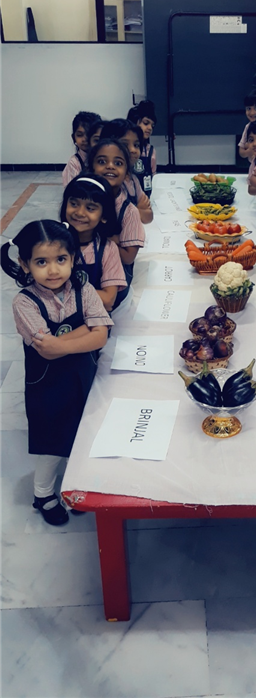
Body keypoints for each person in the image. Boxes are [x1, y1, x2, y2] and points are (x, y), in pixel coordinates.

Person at [0, 220, 112, 525]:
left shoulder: (83, 288)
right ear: (25, 264)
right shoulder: (24, 302)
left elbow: (101, 336)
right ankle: (43, 494)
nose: (53, 270)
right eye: (41, 262)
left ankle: (75, 486)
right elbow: (46, 350)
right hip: (47, 385)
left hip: (82, 377)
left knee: (81, 434)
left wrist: (64, 341)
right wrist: (85, 330)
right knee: (52, 442)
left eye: (61, 259)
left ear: (72, 258)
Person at [87, 139, 145, 298]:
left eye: (118, 163)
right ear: (91, 168)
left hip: (115, 285)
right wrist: (114, 239)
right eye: (102, 161)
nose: (110, 166)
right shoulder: (81, 203)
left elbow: (128, 257)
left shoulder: (129, 211)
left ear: (127, 174)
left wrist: (99, 237)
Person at [60, 175, 127, 312]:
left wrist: (62, 292)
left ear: (104, 216)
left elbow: (108, 300)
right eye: (74, 204)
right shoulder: (53, 243)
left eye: (90, 208)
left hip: (95, 318)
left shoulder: (108, 249)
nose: (80, 213)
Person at [99, 119, 153, 223]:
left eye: (136, 145)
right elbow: (113, 221)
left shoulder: (133, 180)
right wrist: (137, 211)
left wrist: (137, 212)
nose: (133, 150)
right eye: (124, 144)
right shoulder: (106, 181)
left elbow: (148, 217)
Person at [62, 111, 102, 187]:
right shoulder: (74, 163)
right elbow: (71, 190)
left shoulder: (104, 158)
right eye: (80, 135)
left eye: (89, 135)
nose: (85, 139)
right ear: (73, 138)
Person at [127, 100, 157, 196]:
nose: (150, 128)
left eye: (152, 125)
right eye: (146, 123)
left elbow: (153, 176)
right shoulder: (122, 148)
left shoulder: (150, 151)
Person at [238, 89, 256, 160]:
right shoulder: (248, 127)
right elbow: (241, 151)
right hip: (253, 164)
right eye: (249, 108)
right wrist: (250, 151)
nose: (252, 112)